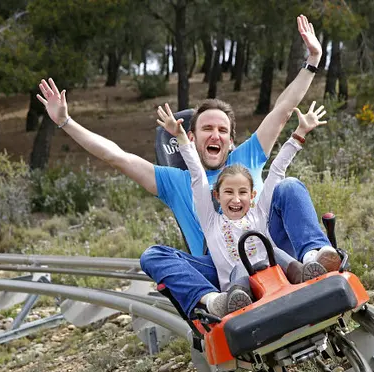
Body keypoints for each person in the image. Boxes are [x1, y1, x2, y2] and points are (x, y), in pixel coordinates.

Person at [36, 14, 339, 317]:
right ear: (191, 138)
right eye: (207, 128)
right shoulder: (175, 181)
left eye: (222, 130)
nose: (215, 134)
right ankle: (212, 302)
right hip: (220, 267)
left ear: (232, 141)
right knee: (153, 255)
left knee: (288, 186)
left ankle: (315, 257)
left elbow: (283, 111)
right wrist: (65, 122)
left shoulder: (246, 156)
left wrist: (313, 58)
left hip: (269, 245)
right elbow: (116, 156)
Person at [157, 101, 333, 316]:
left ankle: (309, 264)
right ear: (216, 196)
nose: (236, 199)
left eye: (242, 193)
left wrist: (300, 133)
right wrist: (182, 138)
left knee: (288, 190)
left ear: (252, 196)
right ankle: (225, 299)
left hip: (275, 273)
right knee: (236, 268)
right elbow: (197, 175)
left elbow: (278, 169)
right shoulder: (211, 222)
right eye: (228, 193)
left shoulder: (259, 213)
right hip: (238, 287)